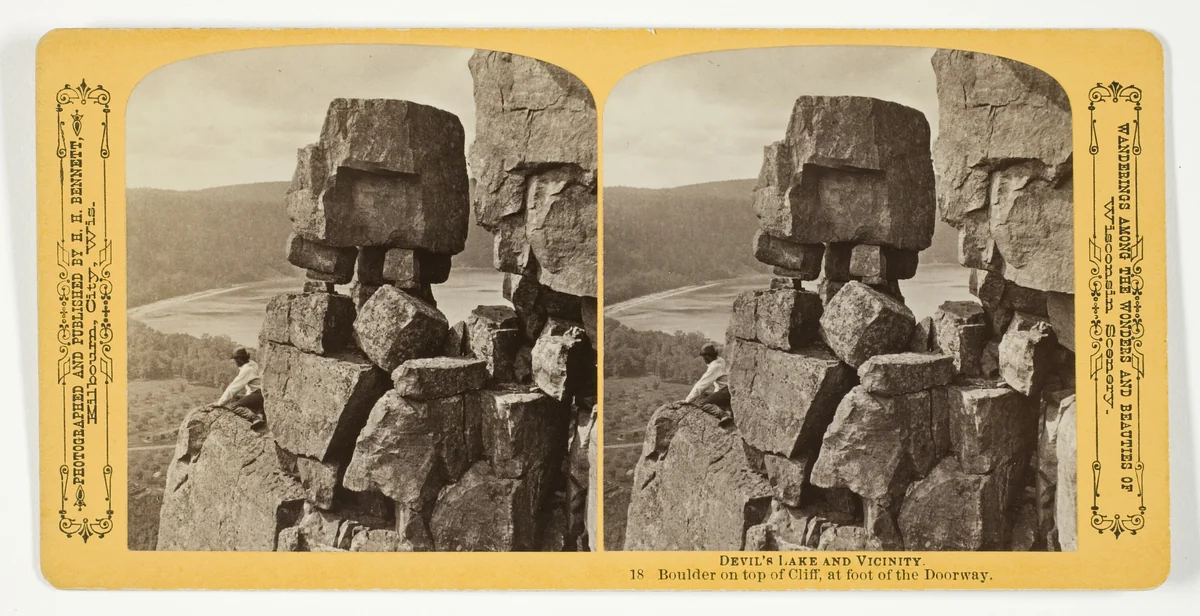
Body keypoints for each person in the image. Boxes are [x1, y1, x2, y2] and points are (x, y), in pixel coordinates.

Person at [216, 347, 264, 427]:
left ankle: (255, 418)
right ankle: (259, 412)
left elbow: (233, 387)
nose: (235, 362)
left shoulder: (247, 369)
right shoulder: (252, 363)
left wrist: (220, 403)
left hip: (258, 395)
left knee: (233, 405)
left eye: (235, 360)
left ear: (240, 359)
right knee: (234, 398)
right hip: (259, 394)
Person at [685, 343, 730, 408]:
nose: (703, 359)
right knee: (703, 395)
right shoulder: (720, 360)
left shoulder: (715, 366)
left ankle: (723, 415)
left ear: (707, 356)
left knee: (701, 404)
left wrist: (688, 400)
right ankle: (726, 409)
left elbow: (702, 384)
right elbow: (719, 384)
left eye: (703, 357)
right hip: (726, 390)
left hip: (725, 392)